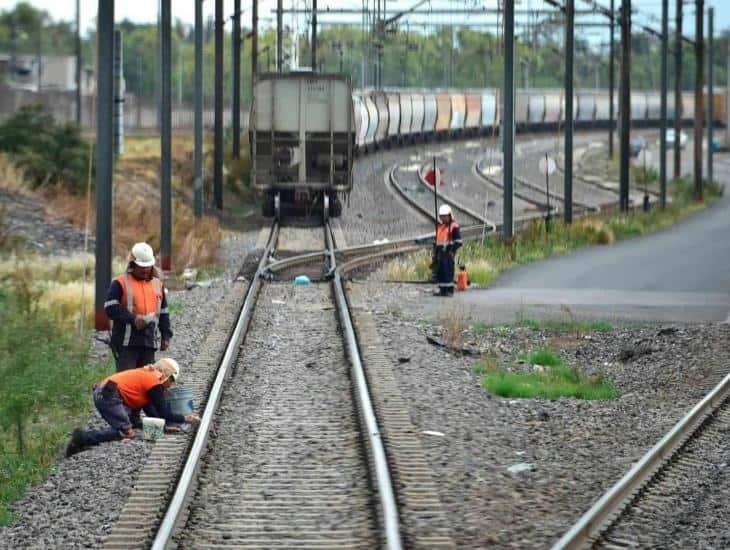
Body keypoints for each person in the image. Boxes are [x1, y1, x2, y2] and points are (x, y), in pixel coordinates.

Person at [65, 358, 199, 457]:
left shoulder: (147, 374)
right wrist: (185, 418)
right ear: (167, 375)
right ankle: (83, 438)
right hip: (109, 396)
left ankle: (81, 443)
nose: (170, 385)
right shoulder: (154, 382)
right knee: (126, 433)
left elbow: (149, 408)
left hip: (106, 392)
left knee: (130, 425)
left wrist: (163, 425)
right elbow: (163, 411)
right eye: (172, 380)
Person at [105, 242, 172, 372]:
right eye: (142, 267)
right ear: (133, 264)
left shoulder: (158, 284)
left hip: (149, 342)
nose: (146, 269)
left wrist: (166, 335)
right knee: (127, 381)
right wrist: (133, 319)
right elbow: (110, 307)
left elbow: (164, 312)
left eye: (148, 266)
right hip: (126, 344)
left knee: (146, 381)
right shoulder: (120, 282)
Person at [434, 204, 462, 297]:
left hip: (448, 253)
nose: (443, 218)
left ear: (449, 215)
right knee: (440, 271)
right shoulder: (440, 227)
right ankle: (442, 289)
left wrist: (451, 250)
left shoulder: (454, 226)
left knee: (448, 271)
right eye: (441, 216)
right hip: (440, 253)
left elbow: (458, 241)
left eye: (444, 216)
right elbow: (438, 240)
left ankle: (449, 290)